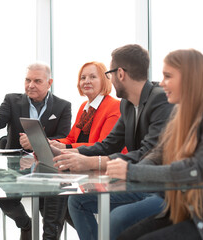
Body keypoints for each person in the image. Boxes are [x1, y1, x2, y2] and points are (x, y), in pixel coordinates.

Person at [53, 44, 174, 240]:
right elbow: (108, 144)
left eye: (108, 73)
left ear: (120, 74)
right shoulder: (127, 103)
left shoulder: (161, 101)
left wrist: (93, 162)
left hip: (161, 189)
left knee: (117, 217)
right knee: (77, 201)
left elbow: (148, 152)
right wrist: (71, 153)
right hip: (136, 183)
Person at [107, 49, 203, 240]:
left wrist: (132, 172)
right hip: (183, 211)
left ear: (189, 78)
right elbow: (158, 153)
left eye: (168, 76)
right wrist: (131, 174)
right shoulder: (178, 116)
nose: (161, 83)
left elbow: (193, 171)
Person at [0, 62, 72, 240]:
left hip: (47, 166)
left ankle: (49, 235)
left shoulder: (63, 106)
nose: (30, 85)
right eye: (27, 80)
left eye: (37, 81)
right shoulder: (12, 100)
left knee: (52, 203)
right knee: (4, 199)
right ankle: (25, 224)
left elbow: (64, 137)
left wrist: (38, 142)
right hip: (14, 167)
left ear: (49, 83)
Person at [49, 61, 126, 150]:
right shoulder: (84, 106)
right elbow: (72, 139)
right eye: (83, 78)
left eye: (93, 77)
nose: (86, 81)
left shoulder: (115, 106)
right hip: (79, 159)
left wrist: (66, 147)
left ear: (104, 80)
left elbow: (104, 146)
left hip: (105, 162)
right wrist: (54, 143)